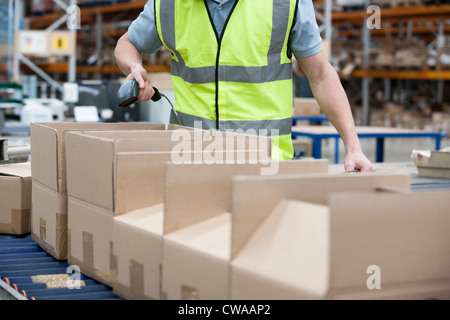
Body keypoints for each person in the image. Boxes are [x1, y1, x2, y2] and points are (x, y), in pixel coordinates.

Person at [115, 0, 376, 172]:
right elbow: (128, 44)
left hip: (267, 165)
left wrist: (353, 147)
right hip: (191, 160)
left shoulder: (285, 3)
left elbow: (321, 75)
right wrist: (134, 68)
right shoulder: (168, 4)